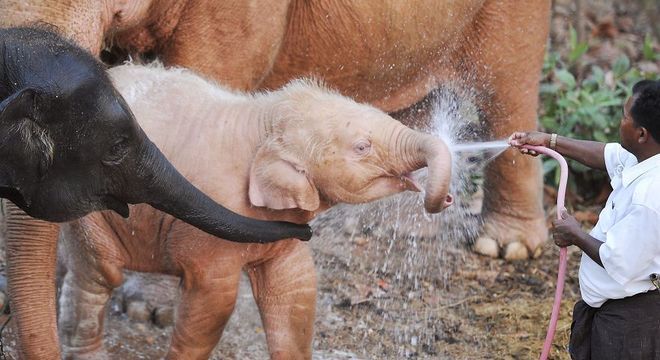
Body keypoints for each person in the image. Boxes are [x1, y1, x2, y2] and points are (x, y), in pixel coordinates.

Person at [509, 79, 660, 360]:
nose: (620, 121)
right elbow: (605, 154)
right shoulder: (642, 158)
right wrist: (549, 141)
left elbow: (619, 260)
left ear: (641, 134)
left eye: (625, 116)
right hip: (611, 310)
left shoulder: (650, 197)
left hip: (631, 323)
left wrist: (575, 234)